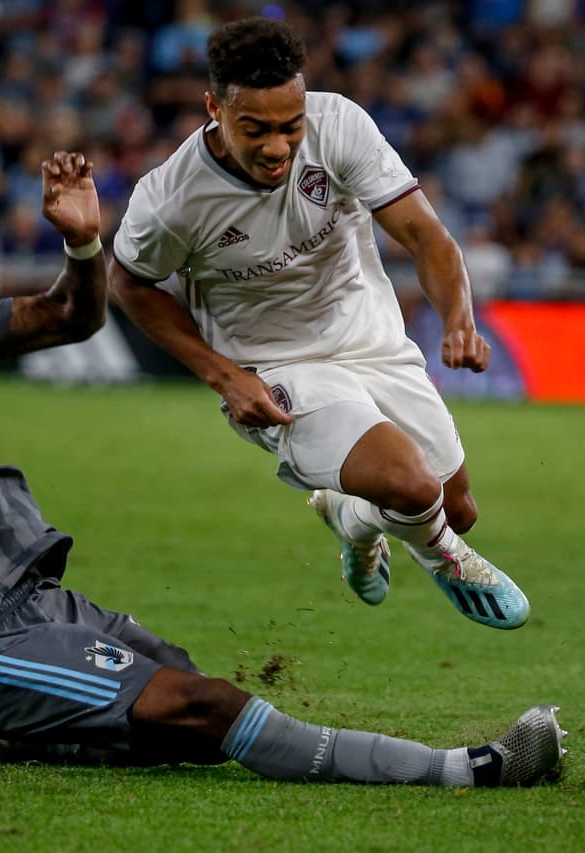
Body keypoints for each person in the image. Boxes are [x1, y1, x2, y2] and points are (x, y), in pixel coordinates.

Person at [0, 120, 566, 785]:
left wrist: (83, 246)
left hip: (45, 605)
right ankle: (469, 769)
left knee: (180, 704)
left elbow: (72, 316)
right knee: (206, 706)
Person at [110, 17, 528, 629]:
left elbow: (425, 234)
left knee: (456, 506)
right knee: (414, 492)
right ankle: (448, 561)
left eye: (290, 126)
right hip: (274, 366)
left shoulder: (339, 126)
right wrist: (223, 376)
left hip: (370, 337)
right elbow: (130, 283)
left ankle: (352, 521)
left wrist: (459, 319)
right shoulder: (173, 199)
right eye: (255, 129)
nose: (278, 147)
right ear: (214, 109)